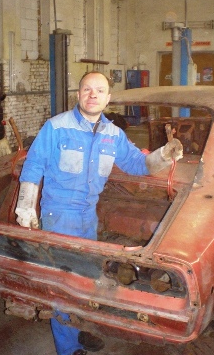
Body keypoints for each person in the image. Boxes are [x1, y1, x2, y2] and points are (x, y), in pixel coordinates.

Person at [15, 71, 183, 355]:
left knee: (88, 280)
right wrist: (25, 207)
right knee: (65, 285)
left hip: (88, 217)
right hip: (59, 216)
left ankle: (80, 330)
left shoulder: (113, 134)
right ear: (78, 95)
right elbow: (33, 167)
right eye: (86, 89)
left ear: (108, 98)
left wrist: (165, 155)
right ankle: (68, 347)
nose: (92, 95)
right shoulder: (56, 128)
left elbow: (138, 165)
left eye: (99, 90)